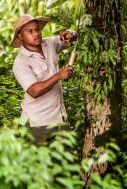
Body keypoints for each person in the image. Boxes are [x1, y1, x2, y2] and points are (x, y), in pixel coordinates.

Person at [10, 14, 77, 144]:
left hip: (59, 119)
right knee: (35, 164)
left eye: (37, 29)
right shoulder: (20, 62)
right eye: (30, 31)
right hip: (36, 124)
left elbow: (71, 38)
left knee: (68, 162)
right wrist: (59, 75)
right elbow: (34, 91)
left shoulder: (49, 44)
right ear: (20, 36)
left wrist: (70, 34)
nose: (36, 34)